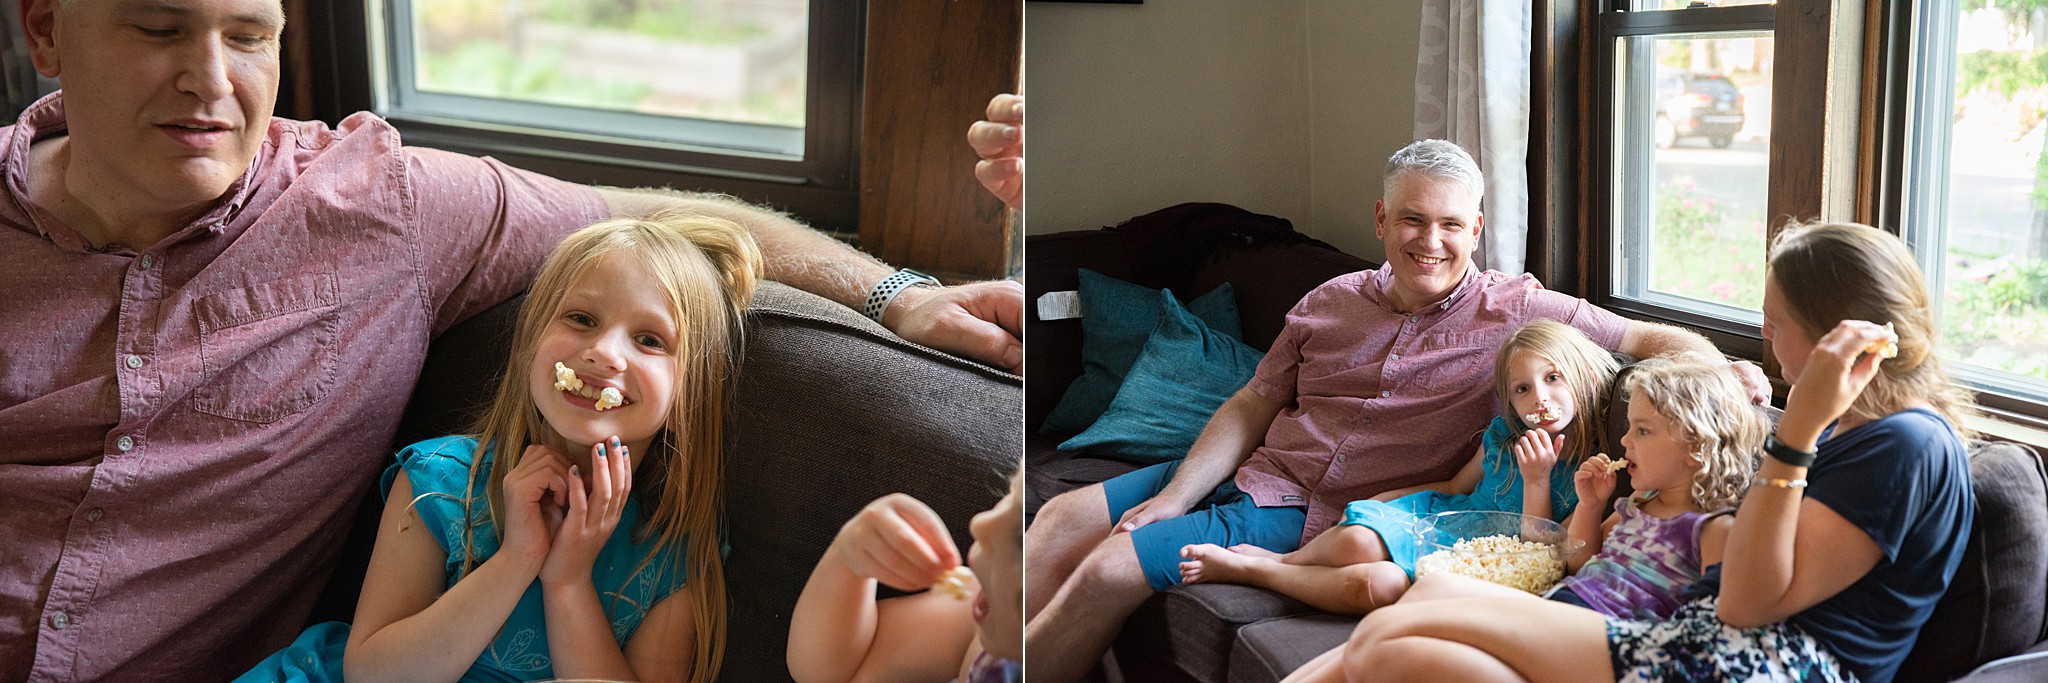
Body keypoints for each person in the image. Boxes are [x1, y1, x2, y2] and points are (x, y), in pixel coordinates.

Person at [0, 2, 1021, 680]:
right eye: (157, 27)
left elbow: (664, 217)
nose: (210, 79)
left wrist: (901, 295)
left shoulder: (384, 206)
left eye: (249, 34)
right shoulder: (447, 483)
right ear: (45, 31)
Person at [1022, 138, 1770, 683]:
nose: (1432, 241)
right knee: (1057, 518)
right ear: (1382, 219)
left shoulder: (1519, 310)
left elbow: (1647, 336)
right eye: (1414, 220)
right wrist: (1176, 492)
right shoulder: (1327, 302)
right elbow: (1253, 401)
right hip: (1255, 469)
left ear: (1477, 228)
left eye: (1451, 224)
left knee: (1108, 570)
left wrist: (1727, 369)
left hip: (1312, 513)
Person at [1335, 222, 1976, 683]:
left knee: (1391, 648)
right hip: (1700, 640)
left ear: (1838, 342)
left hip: (1753, 663)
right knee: (1423, 603)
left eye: (1775, 324)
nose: (1764, 336)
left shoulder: (1906, 443)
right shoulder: (1858, 433)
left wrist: (1797, 431)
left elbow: (1746, 604)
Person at [230, 210, 758, 682]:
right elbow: (372, 675)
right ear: (530, 341)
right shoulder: (439, 481)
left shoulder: (672, 551)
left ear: (692, 390)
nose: (603, 353)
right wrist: (517, 559)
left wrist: (568, 581)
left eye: (649, 340)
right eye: (581, 319)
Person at [1277, 358, 1764, 682]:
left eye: (1641, 431)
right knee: (1429, 588)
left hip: (1594, 641)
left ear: (1698, 447)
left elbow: (1710, 628)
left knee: (1395, 642)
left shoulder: (1715, 529)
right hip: (1558, 610)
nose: (1625, 443)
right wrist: (1591, 507)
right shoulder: (1634, 508)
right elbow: (1578, 565)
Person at [1177, 320, 1619, 614]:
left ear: (1588, 378)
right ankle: (1285, 560)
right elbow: (1453, 484)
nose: (1538, 398)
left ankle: (1265, 571)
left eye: (1553, 378)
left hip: (1484, 565)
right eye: (1523, 388)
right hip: (1442, 525)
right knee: (1357, 544)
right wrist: (1380, 503)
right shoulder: (1504, 437)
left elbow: (1545, 552)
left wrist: (1536, 478)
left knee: (1379, 586)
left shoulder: (1589, 469)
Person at [786, 469, 1025, 683]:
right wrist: (849, 559)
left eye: (1019, 542)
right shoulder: (986, 616)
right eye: (1011, 491)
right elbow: (831, 674)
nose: (979, 524)